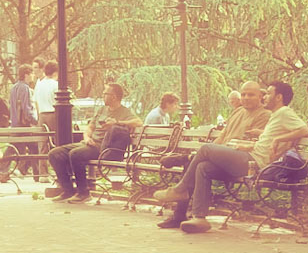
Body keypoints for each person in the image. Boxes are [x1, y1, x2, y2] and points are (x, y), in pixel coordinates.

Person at [155, 80, 274, 232]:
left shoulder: (265, 115)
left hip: (245, 162)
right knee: (201, 166)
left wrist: (213, 151)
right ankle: (198, 218)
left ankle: (181, 185)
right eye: (243, 94)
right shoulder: (238, 111)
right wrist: (215, 151)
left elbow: (251, 143)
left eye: (251, 95)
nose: (246, 98)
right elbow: (223, 135)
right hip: (226, 158)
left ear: (260, 97)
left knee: (204, 150)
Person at [46, 81, 140, 201]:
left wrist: (117, 122)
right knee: (54, 154)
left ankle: (84, 193)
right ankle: (68, 190)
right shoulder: (102, 110)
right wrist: (87, 138)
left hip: (103, 147)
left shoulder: (124, 112)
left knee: (75, 154)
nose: (102, 95)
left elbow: (138, 122)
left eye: (105, 93)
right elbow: (90, 127)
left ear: (114, 97)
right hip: (89, 143)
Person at [0, 63, 41, 182]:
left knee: (12, 148)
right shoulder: (25, 88)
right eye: (31, 73)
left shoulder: (14, 87)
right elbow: (27, 108)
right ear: (26, 74)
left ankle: (3, 171)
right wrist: (35, 120)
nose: (33, 76)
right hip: (24, 124)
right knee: (35, 147)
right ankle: (35, 174)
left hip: (15, 123)